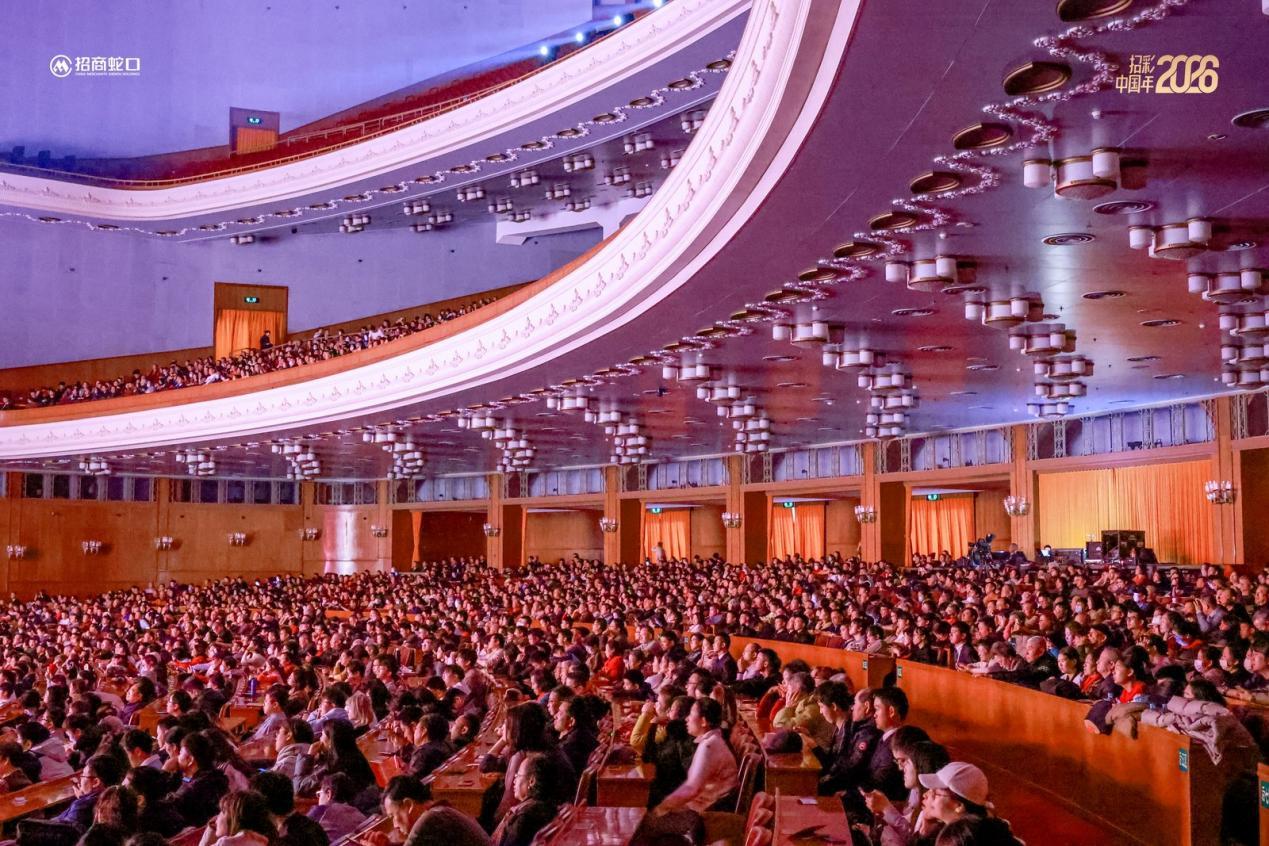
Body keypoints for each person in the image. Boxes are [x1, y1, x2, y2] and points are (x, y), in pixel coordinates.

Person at [632, 698, 737, 846]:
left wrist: (663, 807)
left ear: (703, 721)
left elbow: (691, 788)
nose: (686, 719)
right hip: (700, 809)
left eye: (691, 714)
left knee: (642, 825)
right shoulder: (711, 740)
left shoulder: (709, 746)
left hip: (703, 816)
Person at [490, 753, 562, 846]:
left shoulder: (525, 817)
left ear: (532, 781)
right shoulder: (547, 806)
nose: (514, 780)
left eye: (518, 775)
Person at [171, 732, 231, 827]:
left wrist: (165, 772)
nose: (177, 757)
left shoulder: (190, 791)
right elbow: (187, 780)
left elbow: (171, 805)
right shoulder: (215, 775)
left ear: (190, 760)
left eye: (180, 753)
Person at [198, 790, 276, 846]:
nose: (216, 818)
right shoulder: (263, 842)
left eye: (222, 811)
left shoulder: (226, 843)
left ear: (233, 817)